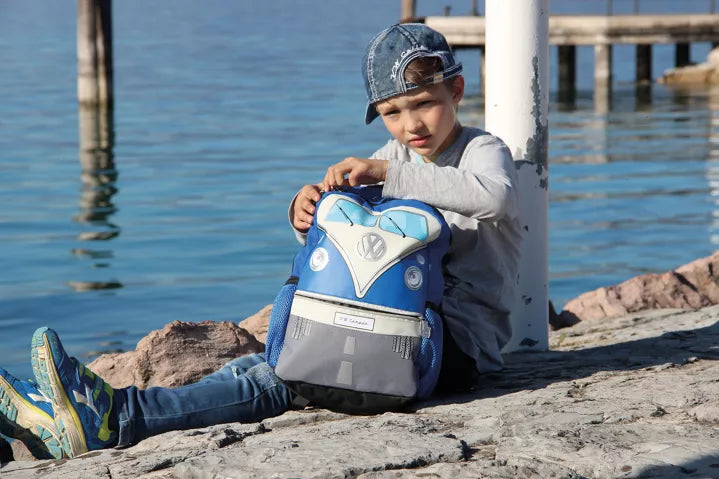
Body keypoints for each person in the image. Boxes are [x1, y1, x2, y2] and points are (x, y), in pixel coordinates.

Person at [0, 23, 521, 460]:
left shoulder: (482, 151)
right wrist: (305, 213)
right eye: (392, 113)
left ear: (456, 91)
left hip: (455, 349)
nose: (410, 125)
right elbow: (361, 237)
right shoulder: (392, 156)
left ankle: (115, 418)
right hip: (389, 327)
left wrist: (386, 173)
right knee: (267, 365)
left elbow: (493, 197)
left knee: (276, 376)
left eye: (424, 104)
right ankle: (77, 413)